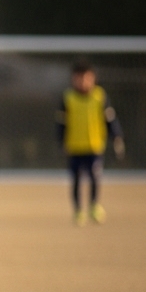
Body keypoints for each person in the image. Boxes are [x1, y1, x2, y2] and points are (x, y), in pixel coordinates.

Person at [57, 60, 124, 225]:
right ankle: (78, 210)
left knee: (95, 176)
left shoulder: (100, 96)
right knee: (76, 179)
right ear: (73, 79)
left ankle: (94, 205)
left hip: (94, 145)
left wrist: (116, 136)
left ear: (93, 78)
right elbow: (61, 123)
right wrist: (61, 141)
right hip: (75, 146)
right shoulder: (68, 98)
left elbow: (110, 119)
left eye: (86, 78)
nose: (83, 82)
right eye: (79, 78)